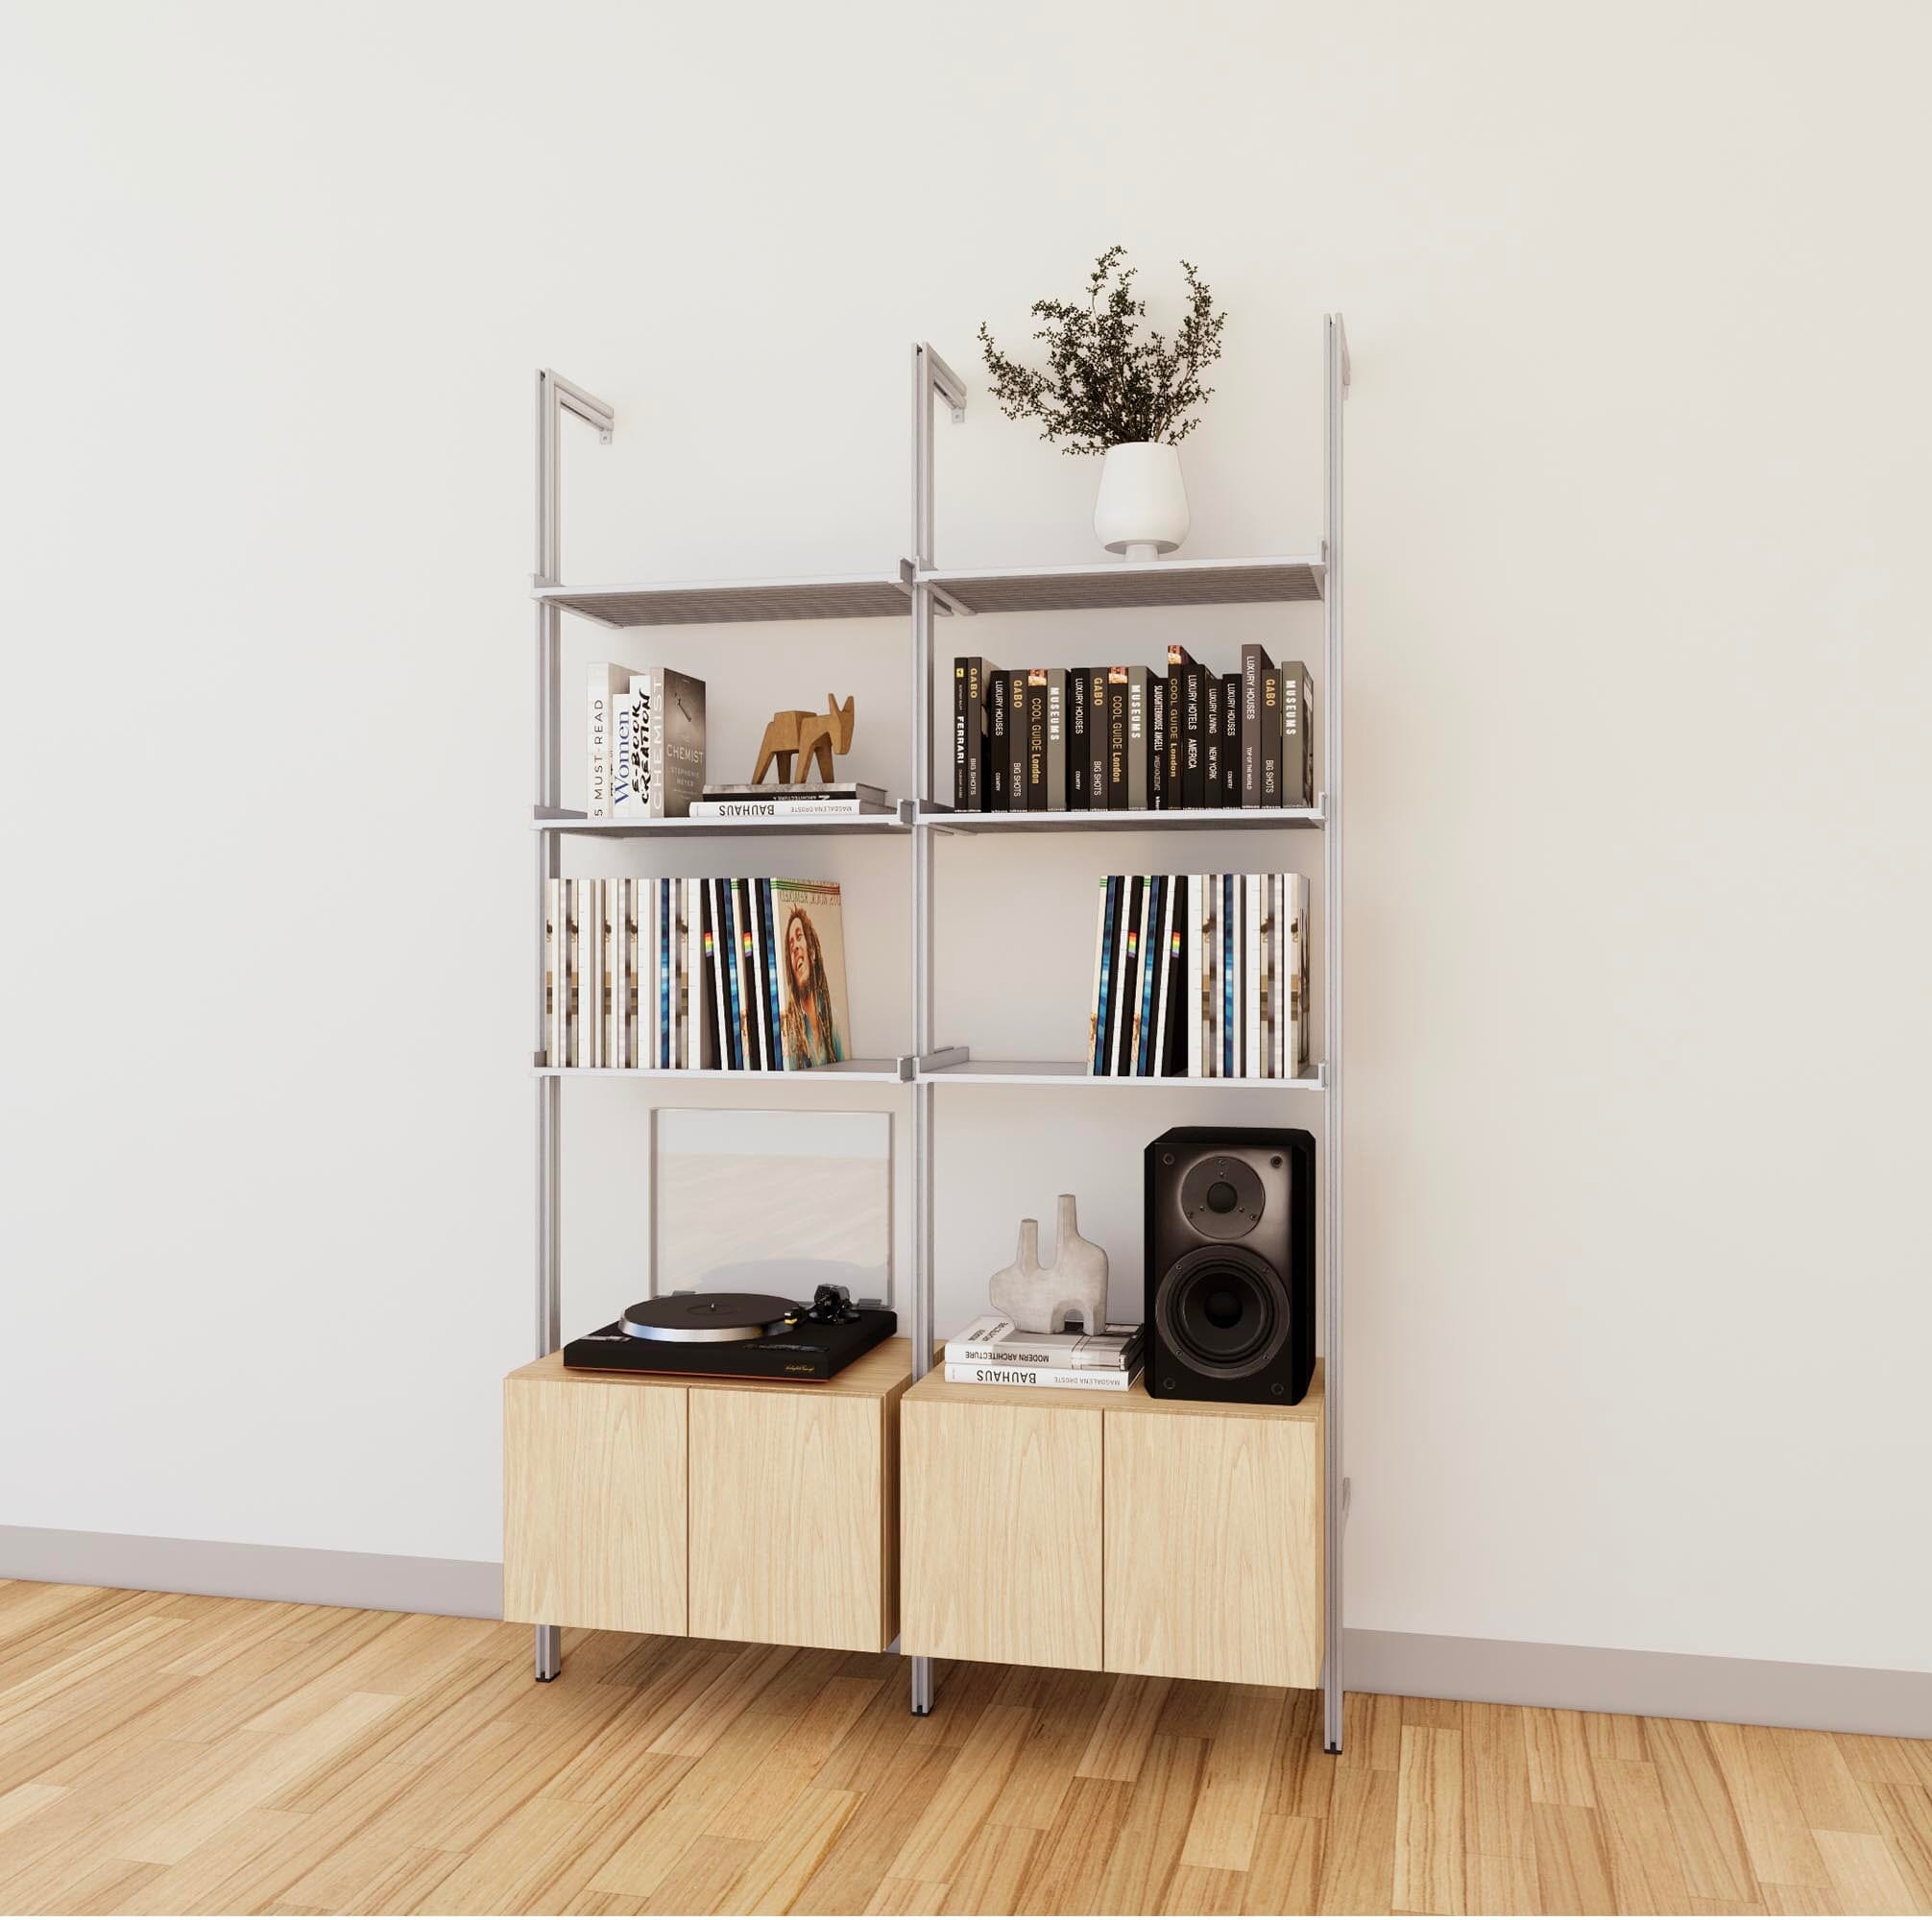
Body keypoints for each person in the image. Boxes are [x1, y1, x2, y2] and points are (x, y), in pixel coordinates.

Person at [780, 905, 844, 1068]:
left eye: (799, 937)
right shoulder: (790, 1028)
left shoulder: (832, 1018)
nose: (794, 947)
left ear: (812, 952)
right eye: (790, 944)